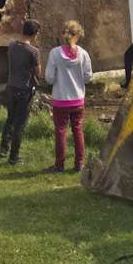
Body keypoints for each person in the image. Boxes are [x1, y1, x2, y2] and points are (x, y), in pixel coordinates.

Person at [44, 20, 93, 173]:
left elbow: (49, 79)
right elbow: (88, 77)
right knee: (78, 130)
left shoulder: (55, 53)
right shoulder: (83, 54)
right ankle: (79, 164)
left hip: (60, 100)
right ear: (78, 35)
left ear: (63, 34)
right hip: (78, 100)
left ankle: (59, 165)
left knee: (60, 131)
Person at [0, 19, 42, 166]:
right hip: (24, 90)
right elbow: (38, 73)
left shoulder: (12, 46)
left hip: (11, 87)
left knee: (10, 119)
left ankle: (3, 149)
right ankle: (14, 157)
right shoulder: (34, 52)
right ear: (35, 34)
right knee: (20, 124)